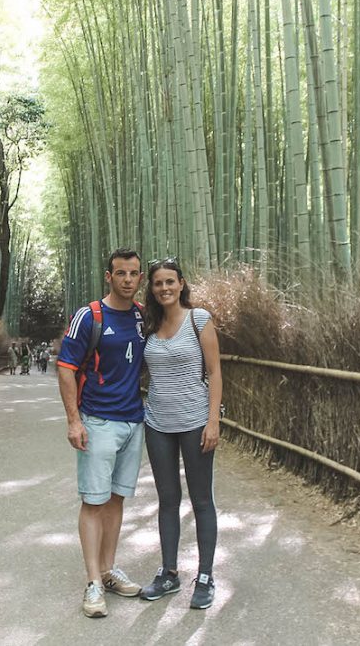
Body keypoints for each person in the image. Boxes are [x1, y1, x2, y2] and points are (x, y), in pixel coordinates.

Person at [56, 248, 147, 618]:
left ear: (140, 278)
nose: (127, 279)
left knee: (116, 499)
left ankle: (108, 570)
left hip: (133, 421)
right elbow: (65, 367)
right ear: (108, 276)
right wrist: (74, 421)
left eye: (134, 273)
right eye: (121, 273)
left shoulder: (143, 316)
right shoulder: (89, 316)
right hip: (98, 421)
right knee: (94, 501)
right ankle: (93, 581)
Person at [138, 256, 222, 610]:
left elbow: (215, 373)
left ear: (181, 284)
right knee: (168, 499)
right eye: (158, 283)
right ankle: (169, 572)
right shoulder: (148, 326)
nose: (164, 288)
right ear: (152, 288)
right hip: (158, 422)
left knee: (201, 500)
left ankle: (205, 576)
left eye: (170, 281)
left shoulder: (199, 319)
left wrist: (213, 421)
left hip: (195, 421)